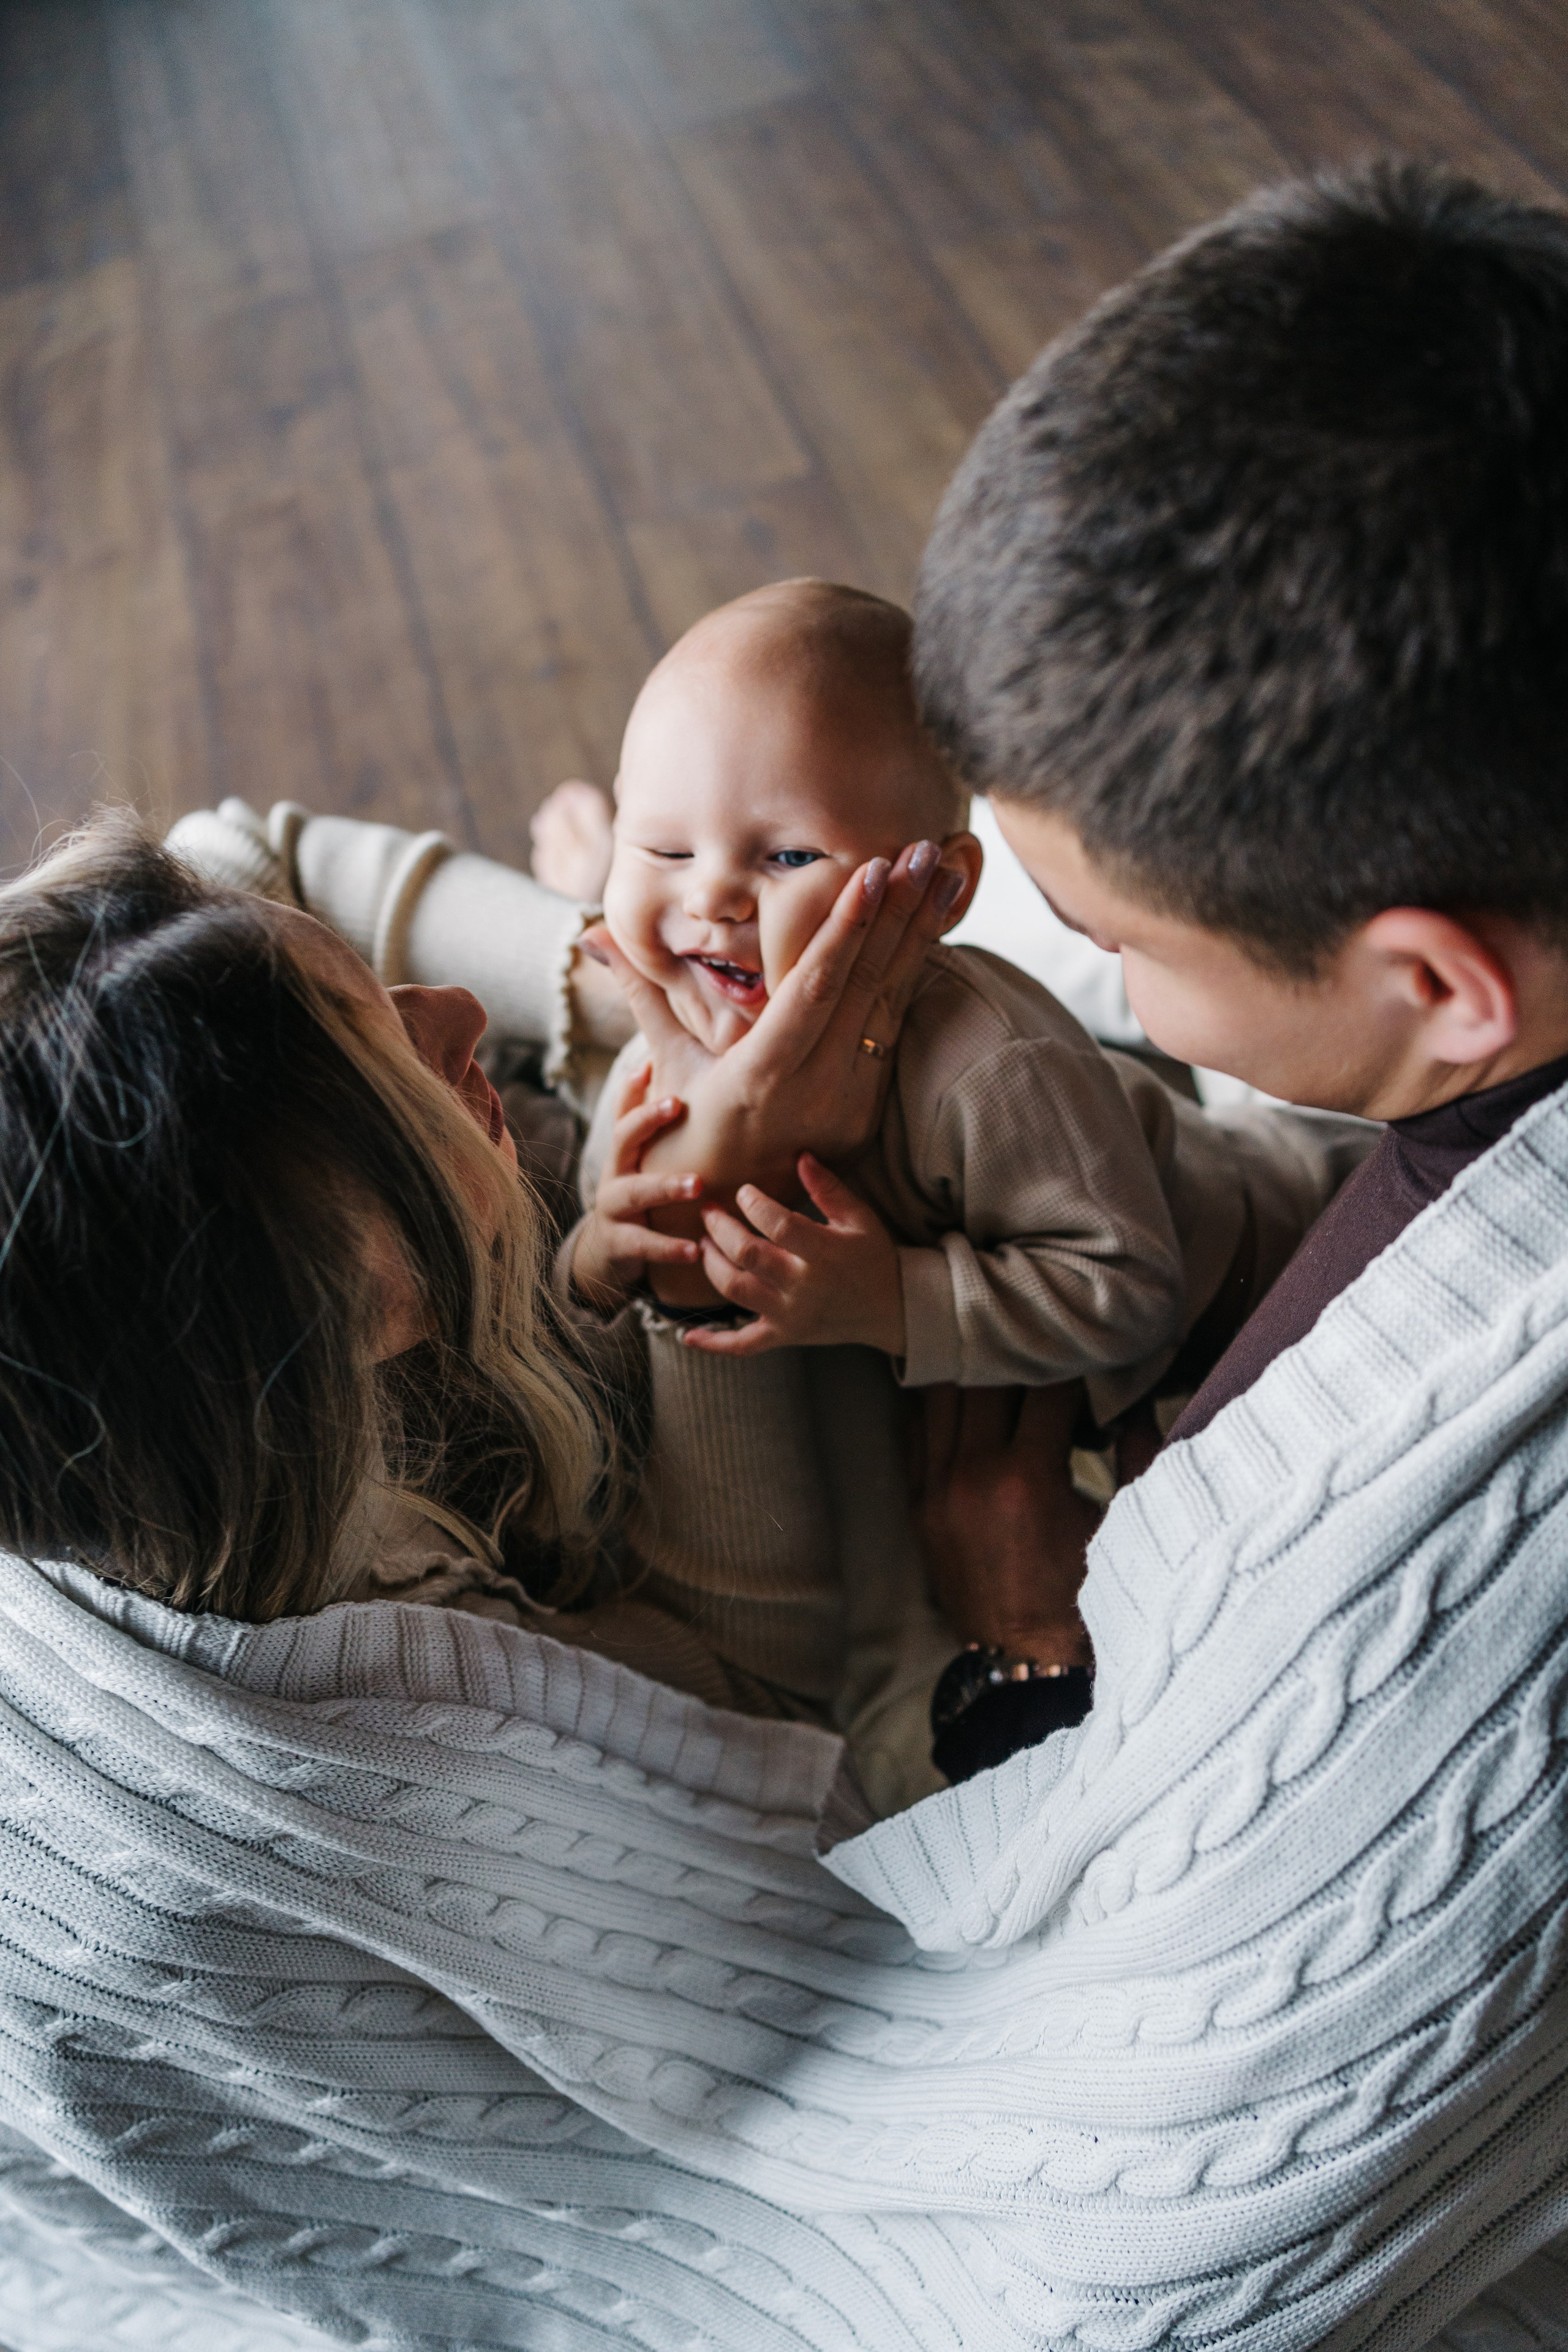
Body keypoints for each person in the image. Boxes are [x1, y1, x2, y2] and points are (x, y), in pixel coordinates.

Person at [2, 157, 1564, 2352]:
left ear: (1442, 990)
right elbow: (731, 1778)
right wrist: (674, 1092)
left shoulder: (1348, 1331)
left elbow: (241, 862)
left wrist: (666, 1034)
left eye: (1092, 934)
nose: (494, 1013)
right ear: (363, 1298)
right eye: (399, 1051)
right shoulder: (344, 1652)